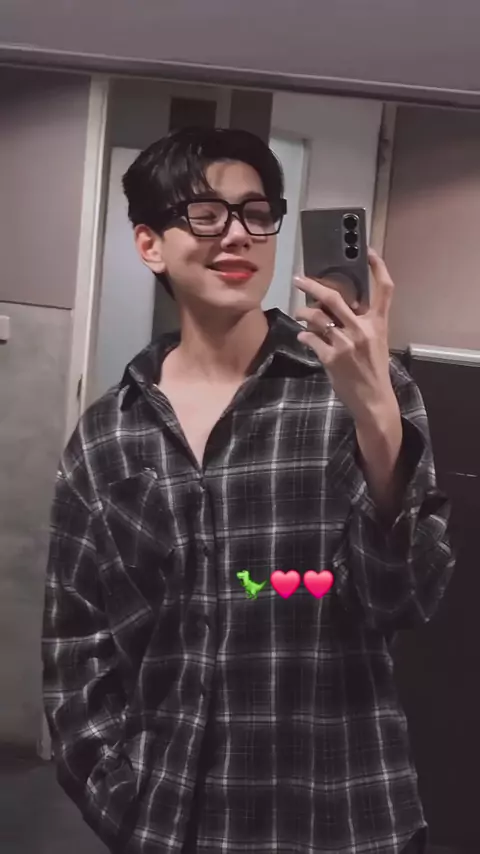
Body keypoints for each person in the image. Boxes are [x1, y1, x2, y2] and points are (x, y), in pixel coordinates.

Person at [42, 126, 454, 854]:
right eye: (205, 214)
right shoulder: (109, 434)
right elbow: (77, 640)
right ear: (150, 244)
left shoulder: (360, 392)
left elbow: (406, 599)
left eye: (256, 213)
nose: (237, 234)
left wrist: (376, 417)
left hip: (346, 816)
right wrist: (117, 796)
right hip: (172, 821)